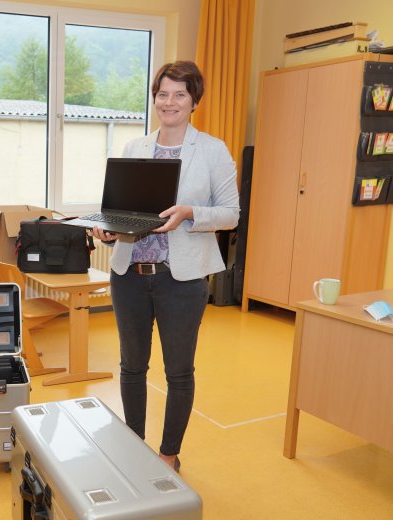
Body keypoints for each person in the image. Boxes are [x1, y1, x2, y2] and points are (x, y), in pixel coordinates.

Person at [89, 61, 239, 473]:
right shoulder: (135, 147)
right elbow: (120, 210)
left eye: (179, 94)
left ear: (194, 102)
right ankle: (134, 444)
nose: (169, 102)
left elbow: (231, 214)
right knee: (132, 366)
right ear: (154, 98)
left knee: (178, 372)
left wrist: (191, 211)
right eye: (162, 94)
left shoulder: (212, 150)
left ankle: (168, 454)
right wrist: (108, 229)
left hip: (181, 279)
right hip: (129, 277)